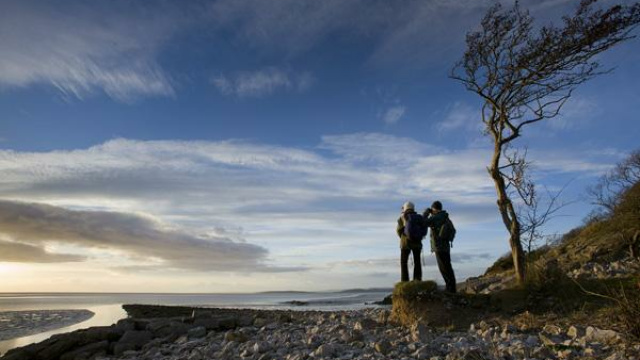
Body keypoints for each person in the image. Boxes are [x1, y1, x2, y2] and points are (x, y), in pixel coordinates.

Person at [423, 200, 457, 293]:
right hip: (446, 246)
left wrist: (426, 213)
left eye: (432, 209)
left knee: (444, 268)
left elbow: (423, 222)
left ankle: (450, 289)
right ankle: (451, 288)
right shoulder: (445, 216)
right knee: (448, 267)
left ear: (434, 209)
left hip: (439, 246)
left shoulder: (436, 217)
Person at [396, 201, 425, 282]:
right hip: (417, 243)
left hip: (405, 243)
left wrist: (403, 237)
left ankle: (404, 281)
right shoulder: (419, 217)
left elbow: (398, 231)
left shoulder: (401, 218)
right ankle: (417, 280)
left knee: (404, 263)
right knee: (417, 262)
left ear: (405, 208)